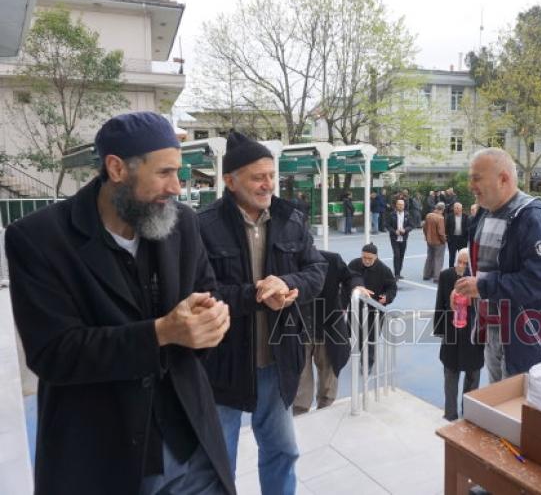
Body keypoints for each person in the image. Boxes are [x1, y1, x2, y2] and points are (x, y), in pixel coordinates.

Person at [6, 112, 234, 494]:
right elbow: (54, 354)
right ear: (116, 168)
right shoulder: (38, 239)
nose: (176, 187)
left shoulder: (182, 224)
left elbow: (206, 296)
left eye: (178, 172)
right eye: (164, 173)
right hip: (105, 460)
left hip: (193, 450)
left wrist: (212, 322)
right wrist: (161, 333)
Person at [198, 131, 327, 494]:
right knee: (219, 461)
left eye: (271, 175)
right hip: (222, 363)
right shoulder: (202, 225)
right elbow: (200, 293)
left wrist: (285, 283)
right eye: (257, 176)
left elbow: (316, 270)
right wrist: (258, 295)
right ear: (230, 180)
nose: (267, 183)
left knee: (283, 450)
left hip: (275, 361)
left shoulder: (291, 218)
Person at [454, 148, 541, 383]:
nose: (470, 185)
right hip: (496, 332)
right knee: (501, 402)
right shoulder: (484, 214)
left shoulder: (533, 218)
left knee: (522, 409)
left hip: (530, 338)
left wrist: (483, 287)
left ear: (503, 178)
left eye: (476, 178)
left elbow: (539, 281)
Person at [294, 250, 359, 415]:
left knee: (328, 372)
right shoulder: (290, 260)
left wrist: (356, 289)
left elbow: (351, 277)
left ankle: (326, 408)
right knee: (301, 375)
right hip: (300, 328)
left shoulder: (332, 259)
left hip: (328, 328)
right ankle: (300, 412)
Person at [434, 248, 484, 421]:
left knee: (473, 375)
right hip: (451, 334)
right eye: (459, 262)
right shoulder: (446, 276)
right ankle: (450, 414)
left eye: (466, 263)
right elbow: (439, 304)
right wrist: (440, 330)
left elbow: (486, 309)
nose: (462, 266)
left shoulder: (479, 280)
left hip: (473, 335)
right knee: (450, 374)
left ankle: (469, 414)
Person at [348, 243, 397, 371]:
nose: (367, 261)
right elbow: (346, 282)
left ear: (376, 257)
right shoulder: (354, 264)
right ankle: (361, 355)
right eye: (364, 258)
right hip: (356, 308)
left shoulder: (384, 270)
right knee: (357, 335)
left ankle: (368, 363)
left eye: (370, 258)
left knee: (371, 338)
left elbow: (392, 287)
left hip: (375, 310)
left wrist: (387, 297)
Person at [387, 198, 413, 279]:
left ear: (404, 206)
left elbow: (411, 225)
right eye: (399, 204)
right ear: (396, 205)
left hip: (404, 238)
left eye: (402, 205)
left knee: (401, 255)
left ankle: (399, 271)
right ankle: (396, 274)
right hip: (394, 238)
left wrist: (405, 230)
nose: (400, 206)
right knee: (396, 255)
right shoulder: (392, 214)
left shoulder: (407, 215)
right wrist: (394, 231)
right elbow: (387, 225)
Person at [423, 202, 447, 282]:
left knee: (429, 257)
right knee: (439, 259)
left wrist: (426, 237)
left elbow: (424, 228)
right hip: (438, 242)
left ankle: (426, 275)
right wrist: (444, 240)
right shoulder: (440, 218)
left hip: (429, 240)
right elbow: (441, 232)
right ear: (442, 209)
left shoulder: (428, 215)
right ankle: (437, 277)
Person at [445, 202, 469, 268]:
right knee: (451, 257)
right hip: (452, 240)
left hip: (462, 240)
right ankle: (451, 270)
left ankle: (463, 270)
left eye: (458, 208)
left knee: (463, 257)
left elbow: (468, 228)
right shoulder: (449, 216)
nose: (456, 209)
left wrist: (466, 238)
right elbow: (446, 228)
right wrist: (448, 238)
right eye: (455, 208)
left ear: (461, 208)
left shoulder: (466, 217)